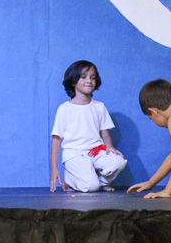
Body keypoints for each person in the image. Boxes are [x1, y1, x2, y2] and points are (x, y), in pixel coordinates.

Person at [50, 61, 127, 192]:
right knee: (91, 186)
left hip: (96, 151)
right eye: (83, 77)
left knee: (119, 162)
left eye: (93, 77)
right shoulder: (64, 109)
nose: (89, 81)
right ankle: (70, 179)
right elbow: (56, 139)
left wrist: (109, 146)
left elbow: (105, 134)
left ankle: (101, 182)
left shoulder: (99, 106)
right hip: (75, 154)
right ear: (73, 81)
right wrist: (54, 168)